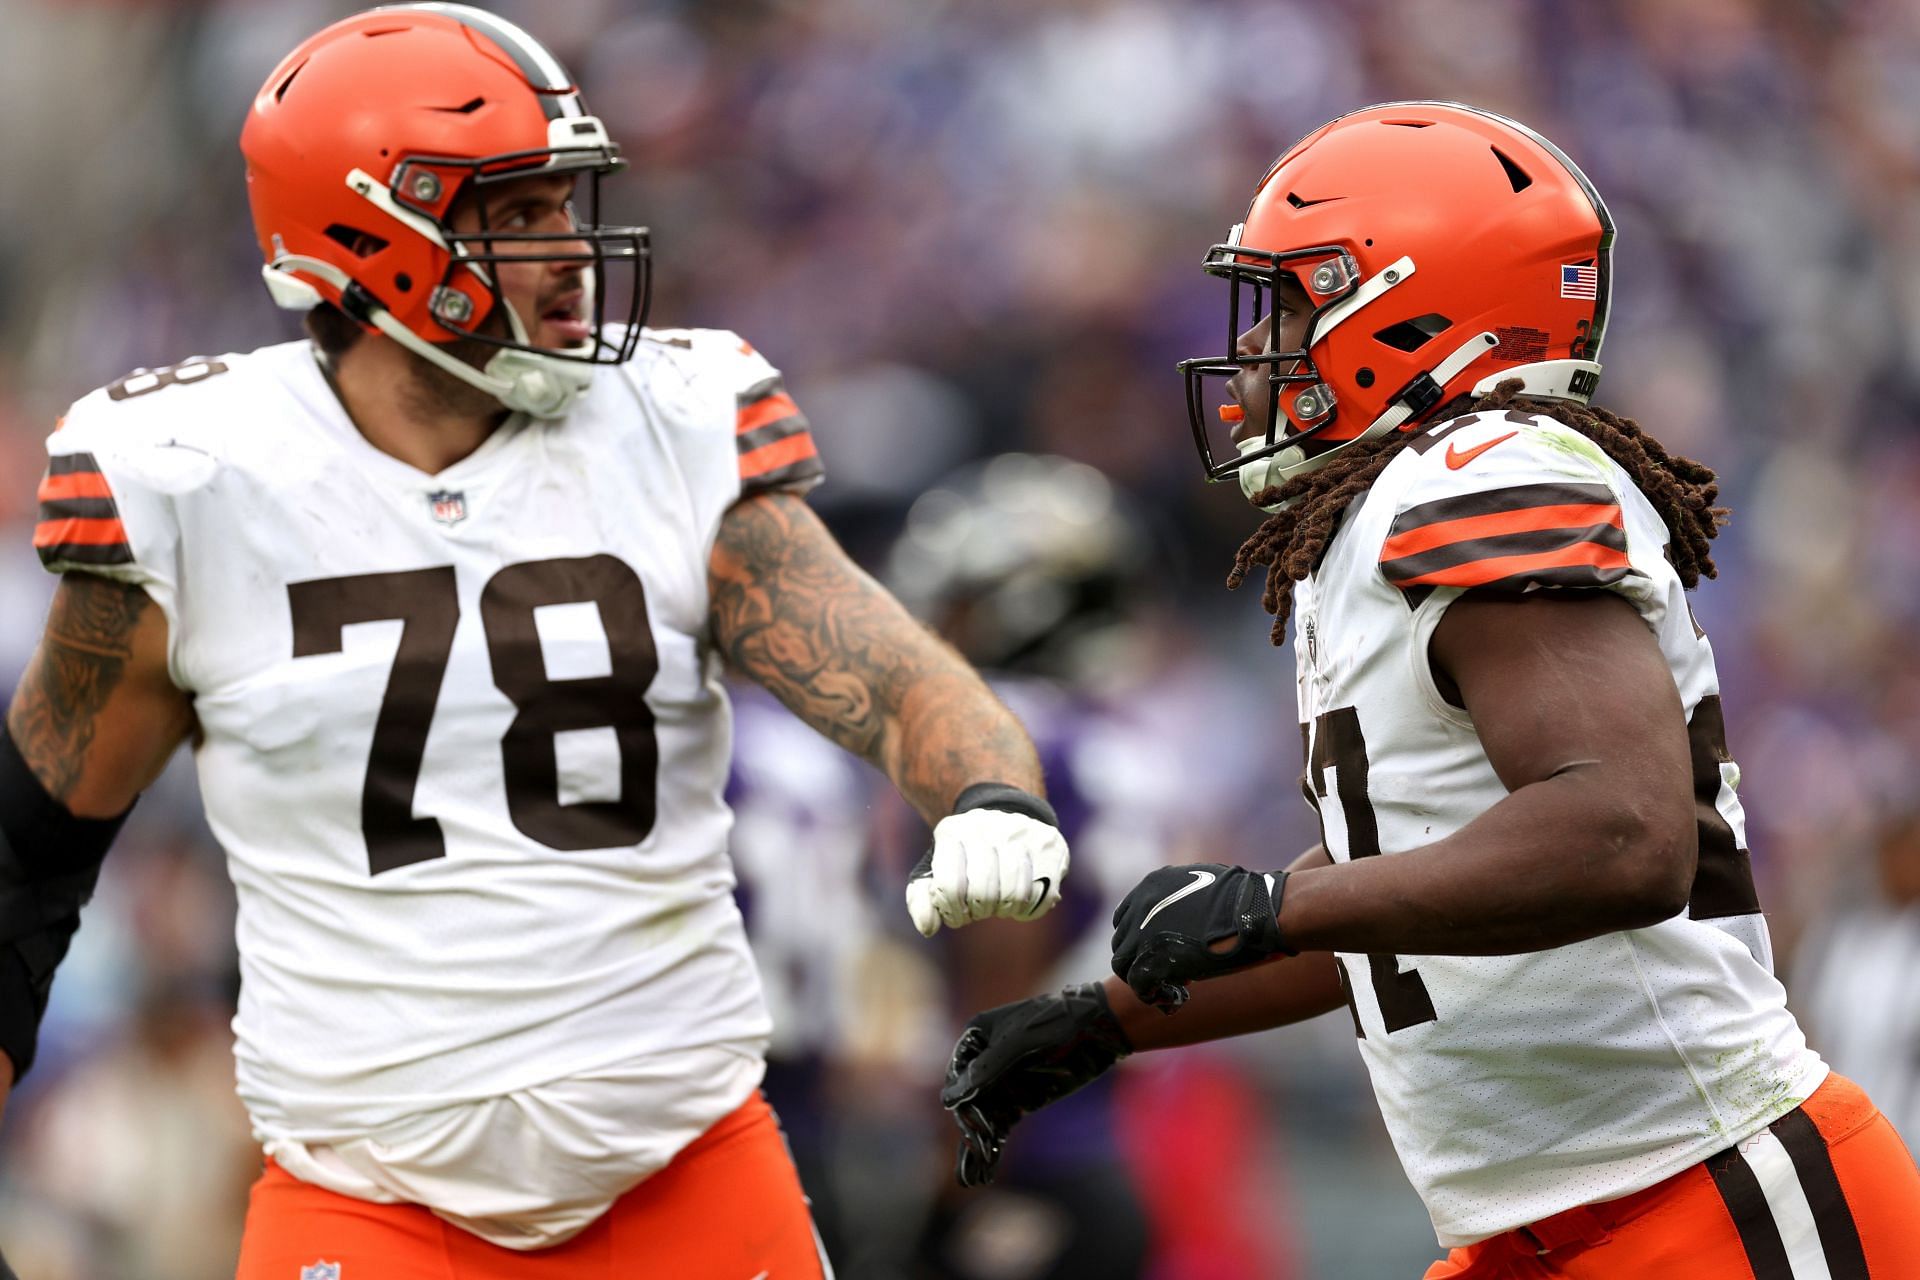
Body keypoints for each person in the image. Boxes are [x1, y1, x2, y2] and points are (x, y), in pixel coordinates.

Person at [0, 6, 1071, 1277]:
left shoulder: (672, 426)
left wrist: (987, 791)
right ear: (363, 236)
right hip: (369, 1195)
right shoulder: (196, 483)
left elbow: (894, 683)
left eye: (567, 202)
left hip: (687, 1164)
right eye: (516, 214)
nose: (571, 250)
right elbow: (28, 860)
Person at [940, 101, 1920, 1278]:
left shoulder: (1481, 471)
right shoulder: (1373, 520)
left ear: (1407, 308)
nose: (1260, 350)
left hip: (1701, 1199)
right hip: (1533, 1229)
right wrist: (1106, 1020)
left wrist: (1275, 903)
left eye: (1292, 304)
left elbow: (1623, 832)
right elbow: (1397, 908)